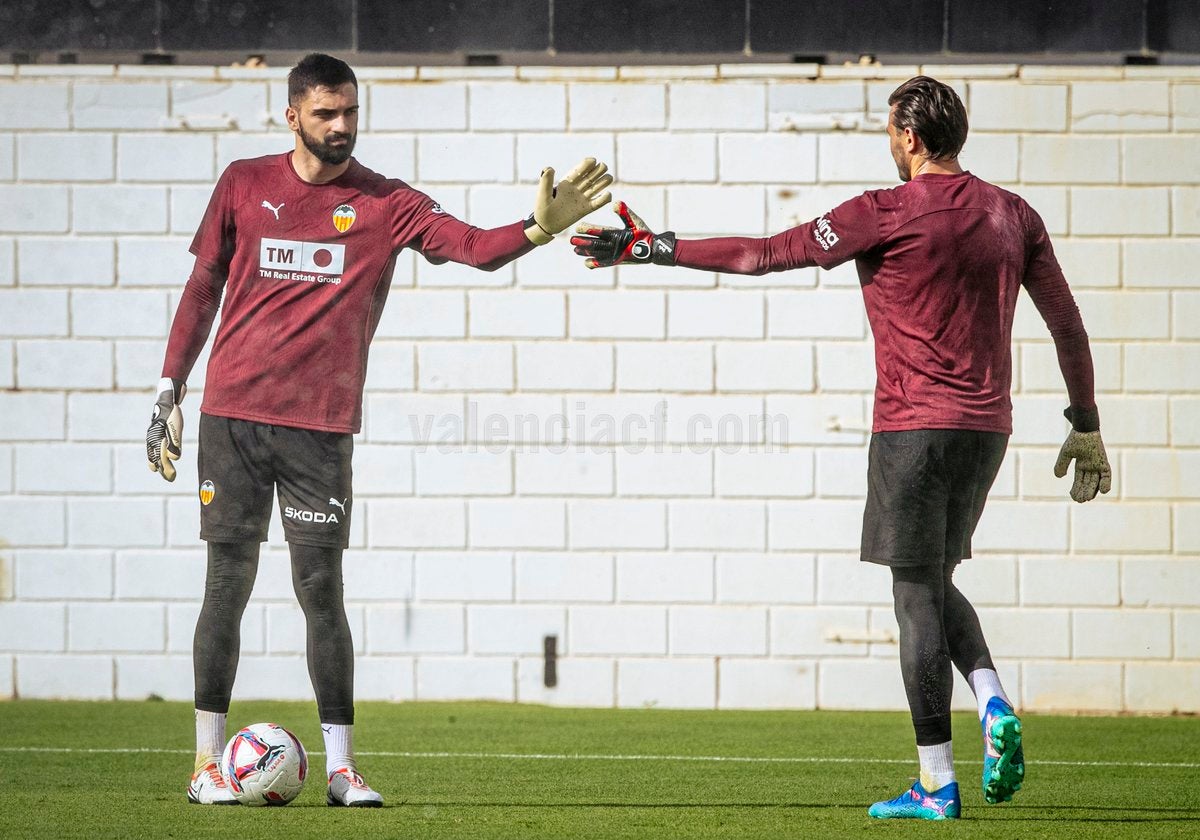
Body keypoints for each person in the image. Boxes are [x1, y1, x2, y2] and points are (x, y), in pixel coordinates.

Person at [571, 75, 1111, 821]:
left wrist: (654, 248)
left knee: (914, 594)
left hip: (911, 429)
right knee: (935, 578)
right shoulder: (1013, 214)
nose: (889, 144)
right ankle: (990, 702)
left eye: (891, 133)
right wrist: (1085, 422)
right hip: (987, 431)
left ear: (911, 138)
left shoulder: (882, 211)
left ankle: (936, 784)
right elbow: (1067, 324)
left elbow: (762, 254)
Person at [146, 52, 611, 807]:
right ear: (291, 115)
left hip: (320, 430)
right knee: (226, 585)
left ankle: (341, 769)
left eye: (351, 113)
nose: (342, 127)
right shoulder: (242, 182)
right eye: (327, 113)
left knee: (320, 589)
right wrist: (170, 386)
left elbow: (472, 249)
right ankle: (204, 766)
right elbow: (201, 289)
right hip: (231, 418)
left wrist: (535, 228)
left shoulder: (386, 202)